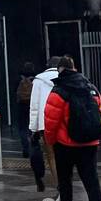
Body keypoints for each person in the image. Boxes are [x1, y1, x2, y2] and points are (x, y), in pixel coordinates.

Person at [43, 55, 101, 201]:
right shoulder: (92, 89)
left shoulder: (59, 91)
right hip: (90, 143)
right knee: (92, 183)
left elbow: (51, 121)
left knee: (65, 182)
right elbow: (99, 113)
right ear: (75, 68)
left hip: (65, 145)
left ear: (61, 70)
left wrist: (50, 141)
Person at [28, 56, 62, 193]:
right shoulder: (66, 77)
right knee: (66, 155)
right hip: (64, 122)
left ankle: (60, 186)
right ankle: (66, 183)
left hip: (45, 124)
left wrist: (33, 129)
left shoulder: (38, 80)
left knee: (52, 156)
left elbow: (34, 106)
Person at [14, 64, 36, 159]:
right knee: (32, 128)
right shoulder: (35, 80)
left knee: (22, 129)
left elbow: (14, 92)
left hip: (21, 106)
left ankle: (25, 149)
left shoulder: (19, 80)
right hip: (31, 106)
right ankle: (34, 147)